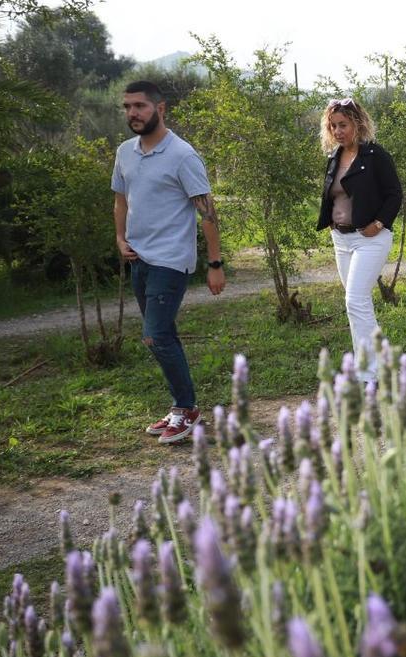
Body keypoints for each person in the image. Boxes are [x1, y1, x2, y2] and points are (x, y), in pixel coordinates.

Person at [113, 80, 225, 444]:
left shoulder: (182, 155)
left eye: (140, 106)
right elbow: (121, 201)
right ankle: (180, 406)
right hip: (139, 260)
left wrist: (215, 263)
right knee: (158, 337)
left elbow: (207, 212)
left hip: (170, 261)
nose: (133, 113)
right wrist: (119, 238)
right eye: (128, 106)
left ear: (160, 109)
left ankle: (187, 409)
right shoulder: (125, 153)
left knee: (156, 334)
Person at [316, 98, 402, 384]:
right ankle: (377, 362)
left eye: (343, 125)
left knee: (355, 300)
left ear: (357, 124)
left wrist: (378, 223)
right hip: (341, 239)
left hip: (370, 239)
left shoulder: (375, 156)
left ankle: (370, 374)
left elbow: (394, 194)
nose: (338, 131)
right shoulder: (334, 157)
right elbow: (332, 194)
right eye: (333, 126)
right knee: (357, 303)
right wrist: (330, 219)